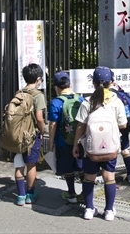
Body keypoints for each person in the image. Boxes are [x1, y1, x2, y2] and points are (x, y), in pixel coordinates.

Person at [73, 66, 127, 222]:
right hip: (110, 146)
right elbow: (123, 124)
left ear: (93, 83)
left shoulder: (87, 102)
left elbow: (81, 126)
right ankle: (109, 211)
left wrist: (76, 144)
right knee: (109, 176)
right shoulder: (117, 101)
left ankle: (89, 209)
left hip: (91, 147)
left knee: (89, 177)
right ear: (111, 82)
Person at [48, 71, 84, 203]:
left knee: (67, 166)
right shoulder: (80, 99)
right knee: (81, 166)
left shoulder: (55, 102)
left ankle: (71, 193)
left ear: (56, 87)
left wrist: (50, 142)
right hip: (80, 140)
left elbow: (52, 124)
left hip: (63, 140)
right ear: (70, 84)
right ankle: (85, 193)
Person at [13, 63, 46, 206]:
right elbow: (39, 117)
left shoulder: (19, 92)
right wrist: (42, 130)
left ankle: (20, 195)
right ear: (38, 79)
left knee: (19, 164)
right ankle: (30, 194)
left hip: (17, 134)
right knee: (31, 165)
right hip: (31, 135)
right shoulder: (38, 95)